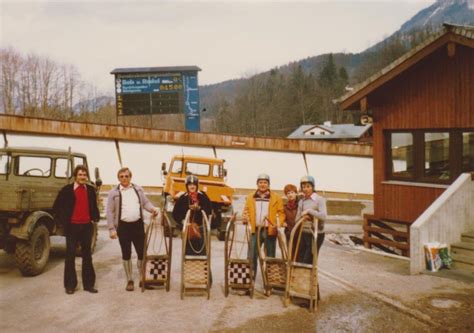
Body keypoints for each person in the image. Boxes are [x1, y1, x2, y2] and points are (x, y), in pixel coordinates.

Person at [106, 167, 159, 291]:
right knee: (126, 253)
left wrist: (152, 209)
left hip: (138, 226)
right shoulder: (113, 192)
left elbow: (145, 203)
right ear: (118, 178)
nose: (124, 178)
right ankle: (129, 280)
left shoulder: (138, 189)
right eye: (122, 176)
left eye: (126, 176)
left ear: (130, 177)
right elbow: (109, 211)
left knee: (142, 252)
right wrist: (111, 228)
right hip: (123, 227)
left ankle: (142, 279)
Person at [53, 165, 100, 295]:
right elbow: (56, 207)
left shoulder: (90, 190)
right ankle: (70, 285)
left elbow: (93, 205)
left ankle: (89, 285)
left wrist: (95, 217)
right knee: (70, 256)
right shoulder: (67, 190)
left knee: (87, 256)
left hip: (86, 226)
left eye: (84, 175)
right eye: (80, 175)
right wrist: (63, 222)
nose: (82, 177)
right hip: (72, 227)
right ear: (75, 176)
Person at [242, 174, 285, 278]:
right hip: (254, 230)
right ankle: (250, 282)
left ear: (268, 184)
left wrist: (278, 223)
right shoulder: (250, 197)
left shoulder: (276, 198)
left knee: (270, 257)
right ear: (257, 184)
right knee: (251, 255)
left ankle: (269, 283)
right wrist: (245, 217)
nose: (262, 184)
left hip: (269, 230)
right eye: (260, 182)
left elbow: (281, 213)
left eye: (265, 182)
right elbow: (246, 210)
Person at [172, 175, 212, 256]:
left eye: (194, 184)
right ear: (187, 186)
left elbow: (209, 209)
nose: (192, 186)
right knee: (188, 251)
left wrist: (200, 209)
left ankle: (202, 267)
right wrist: (183, 221)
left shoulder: (203, 196)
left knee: (202, 251)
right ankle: (188, 267)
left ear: (197, 185)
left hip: (201, 228)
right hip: (188, 228)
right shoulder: (183, 198)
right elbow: (175, 213)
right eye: (190, 184)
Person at [295, 175, 327, 264]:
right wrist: (303, 217)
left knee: (309, 261)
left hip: (316, 234)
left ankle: (310, 278)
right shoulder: (301, 202)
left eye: (308, 186)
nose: (305, 189)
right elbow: (297, 219)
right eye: (303, 187)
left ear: (313, 187)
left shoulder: (319, 200)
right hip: (304, 233)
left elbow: (323, 216)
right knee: (301, 260)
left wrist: (310, 211)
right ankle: (302, 278)